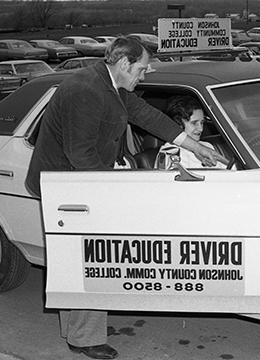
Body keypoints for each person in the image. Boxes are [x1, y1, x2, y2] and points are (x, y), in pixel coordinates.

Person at [25, 36, 224, 360]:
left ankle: (75, 331)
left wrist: (196, 146)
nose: (144, 75)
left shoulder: (113, 85)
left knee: (72, 259)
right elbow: (81, 154)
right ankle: (85, 338)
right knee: (90, 260)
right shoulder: (86, 91)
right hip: (67, 184)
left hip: (74, 179)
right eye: (142, 69)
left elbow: (148, 116)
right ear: (123, 64)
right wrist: (114, 188)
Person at [156, 95, 228, 169]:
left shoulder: (206, 146)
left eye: (202, 122)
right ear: (178, 124)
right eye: (194, 123)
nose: (201, 129)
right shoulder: (170, 153)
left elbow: (229, 170)